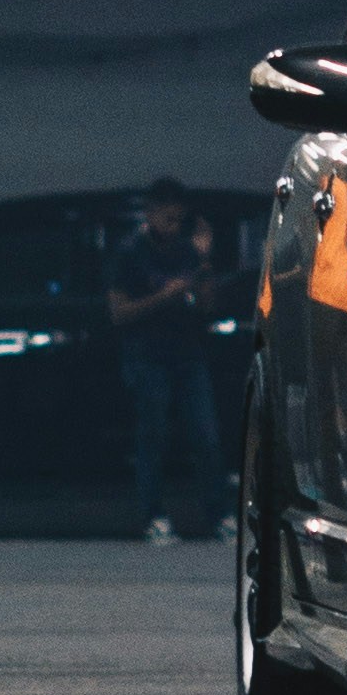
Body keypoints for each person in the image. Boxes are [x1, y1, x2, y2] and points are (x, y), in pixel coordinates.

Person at [104, 178, 224, 544]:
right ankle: (153, 515)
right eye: (167, 218)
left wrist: (203, 260)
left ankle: (218, 516)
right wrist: (165, 296)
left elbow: (207, 305)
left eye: (178, 219)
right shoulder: (130, 252)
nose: (173, 226)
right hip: (148, 357)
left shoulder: (188, 251)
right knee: (152, 437)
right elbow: (118, 313)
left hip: (188, 355)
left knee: (206, 437)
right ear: (151, 213)